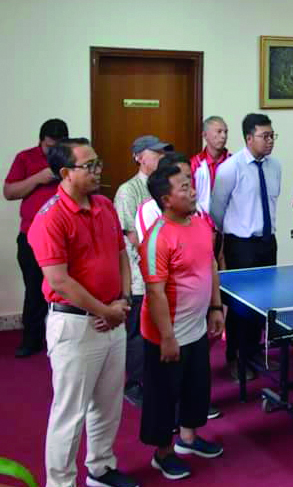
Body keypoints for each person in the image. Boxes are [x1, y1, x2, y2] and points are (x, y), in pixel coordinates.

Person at [28, 138, 138, 487]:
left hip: (112, 317)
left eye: (97, 162)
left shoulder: (105, 205)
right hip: (75, 325)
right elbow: (59, 281)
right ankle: (60, 483)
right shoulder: (50, 218)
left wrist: (120, 300)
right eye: (88, 166)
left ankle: (101, 468)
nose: (97, 171)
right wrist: (104, 309)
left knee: (108, 405)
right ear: (65, 173)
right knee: (70, 414)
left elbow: (121, 254)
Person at [140, 162, 225, 478]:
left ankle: (188, 440)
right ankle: (161, 454)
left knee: (195, 387)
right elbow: (155, 293)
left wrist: (216, 307)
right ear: (166, 199)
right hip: (167, 333)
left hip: (197, 327)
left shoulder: (200, 224)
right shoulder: (157, 238)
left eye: (191, 185)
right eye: (185, 188)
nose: (193, 192)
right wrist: (167, 337)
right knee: (163, 396)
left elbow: (211, 266)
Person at [210, 113, 281, 381]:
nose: (270, 141)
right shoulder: (231, 168)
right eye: (265, 136)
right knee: (239, 305)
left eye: (272, 135)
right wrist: (233, 235)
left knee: (262, 301)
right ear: (249, 138)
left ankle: (254, 352)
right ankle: (234, 357)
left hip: (267, 243)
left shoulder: (275, 166)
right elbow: (217, 210)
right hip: (241, 245)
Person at [114, 135, 172, 407]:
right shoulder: (129, 191)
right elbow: (132, 234)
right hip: (140, 275)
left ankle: (154, 377)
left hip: (164, 272)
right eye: (155, 153)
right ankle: (134, 383)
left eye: (163, 153)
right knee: (137, 331)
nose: (161, 157)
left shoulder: (161, 187)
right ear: (139, 157)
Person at [4, 118, 68, 358]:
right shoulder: (25, 158)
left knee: (64, 288)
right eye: (50, 146)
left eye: (59, 146)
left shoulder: (71, 157)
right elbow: (9, 192)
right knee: (34, 289)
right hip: (31, 236)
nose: (54, 151)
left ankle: (61, 340)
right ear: (41, 141)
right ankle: (31, 340)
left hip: (65, 236)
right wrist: (38, 178)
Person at [191, 116, 230, 214]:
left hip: (230, 222)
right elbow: (190, 197)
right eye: (219, 131)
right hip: (202, 222)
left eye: (226, 132)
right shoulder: (195, 164)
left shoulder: (233, 163)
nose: (223, 136)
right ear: (205, 135)